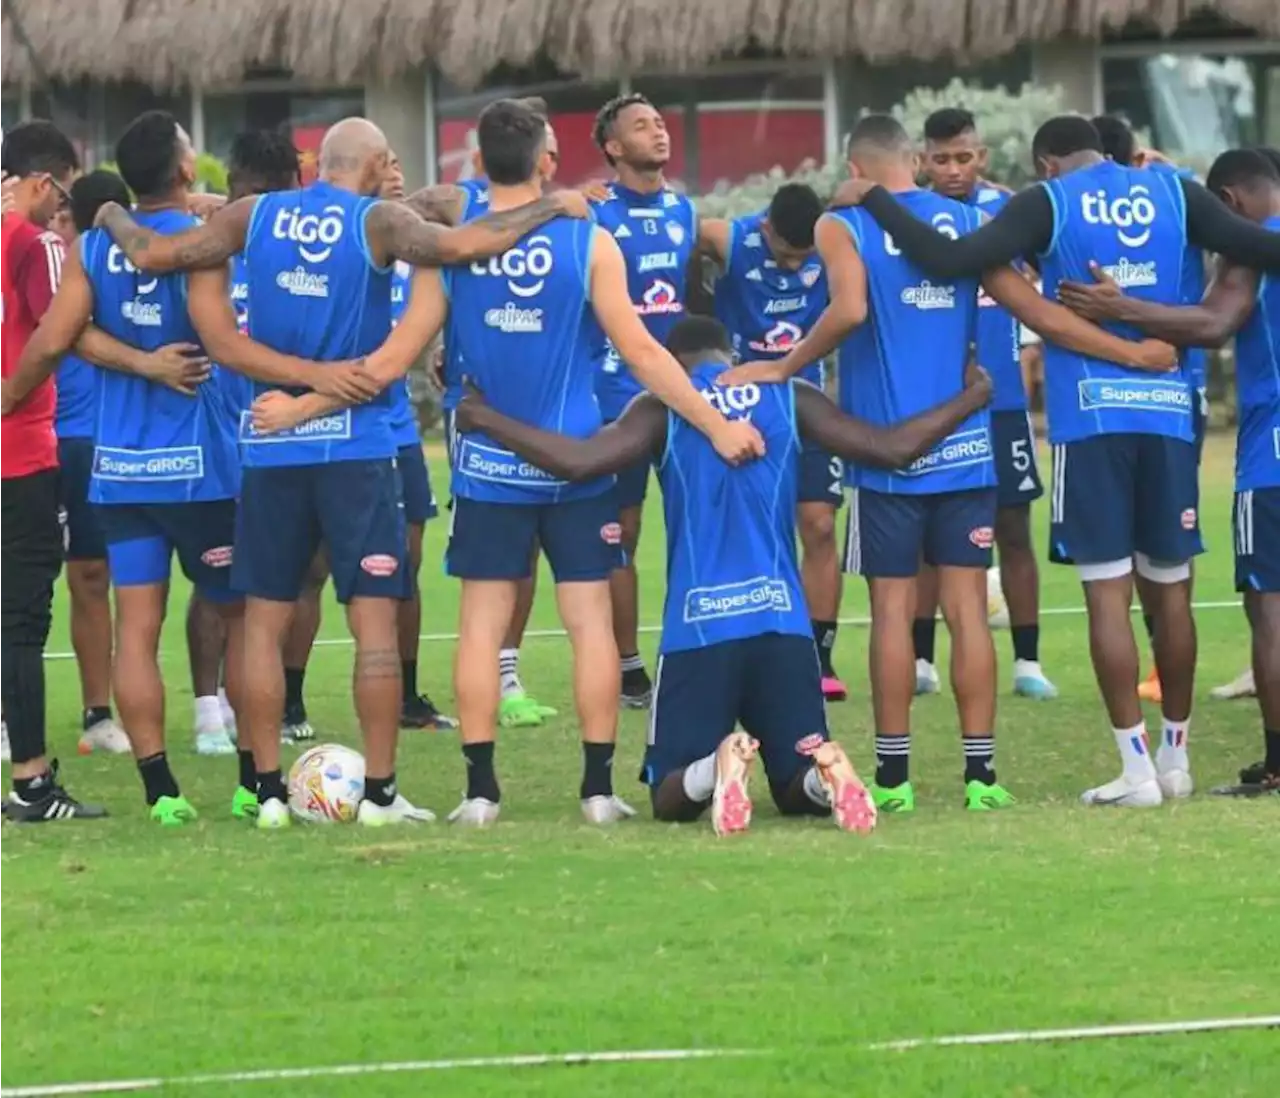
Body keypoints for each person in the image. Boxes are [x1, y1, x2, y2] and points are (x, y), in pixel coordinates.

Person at [94, 114, 601, 828]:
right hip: (358, 452)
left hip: (268, 448)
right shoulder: (380, 222)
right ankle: (383, 798)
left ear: (318, 161)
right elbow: (461, 243)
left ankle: (268, 794)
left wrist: (109, 207)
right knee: (373, 629)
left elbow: (152, 256)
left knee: (263, 626)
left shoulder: (253, 215)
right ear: (377, 164)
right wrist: (554, 203)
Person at [723, 114, 1177, 813]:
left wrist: (783, 366)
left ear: (855, 168)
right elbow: (1032, 307)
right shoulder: (966, 221)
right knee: (968, 612)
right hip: (967, 445)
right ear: (915, 160)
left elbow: (846, 311)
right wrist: (1135, 346)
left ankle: (897, 778)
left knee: (892, 611)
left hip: (887, 454)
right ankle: (981, 776)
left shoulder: (842, 225)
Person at [838, 115, 1280, 806]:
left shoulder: (1046, 203)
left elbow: (948, 260)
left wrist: (874, 199)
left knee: (1108, 592)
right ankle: (1176, 761)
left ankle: (1135, 772)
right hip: (1169, 415)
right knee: (1172, 592)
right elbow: (1262, 247)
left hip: (1093, 416)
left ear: (1046, 163)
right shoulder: (1173, 193)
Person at [455, 315, 998, 831]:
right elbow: (890, 449)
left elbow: (578, 462)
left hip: (700, 630)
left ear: (672, 362)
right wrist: (972, 397)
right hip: (783, 629)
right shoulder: (791, 394)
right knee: (792, 786)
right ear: (731, 354)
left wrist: (487, 418)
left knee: (669, 797)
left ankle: (715, 770)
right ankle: (821, 776)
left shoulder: (661, 405)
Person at [7, 112, 237, 825]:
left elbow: (57, 336)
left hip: (121, 467)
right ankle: (259, 780)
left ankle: (159, 788)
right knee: (251, 615)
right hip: (194, 469)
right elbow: (218, 339)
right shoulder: (197, 244)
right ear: (181, 172)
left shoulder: (94, 246)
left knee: (132, 620)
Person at [1054, 147, 1280, 795]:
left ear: (1229, 204)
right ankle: (1174, 760)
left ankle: (1273, 763)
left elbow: (1212, 322)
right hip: (1183, 440)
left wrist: (1119, 308)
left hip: (1272, 457)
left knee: (1270, 611)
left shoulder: (1252, 249)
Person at [397, 100, 557, 730]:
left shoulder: (568, 216)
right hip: (481, 412)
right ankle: (491, 681)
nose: (549, 158)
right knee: (495, 559)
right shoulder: (462, 202)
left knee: (534, 549)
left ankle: (507, 674)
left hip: (543, 412)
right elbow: (396, 217)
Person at [914, 108, 1057, 701]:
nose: (954, 169)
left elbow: (1054, 273)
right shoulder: (910, 214)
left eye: (964, 157)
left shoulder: (1013, 210)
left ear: (984, 157)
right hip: (930, 402)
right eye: (942, 159)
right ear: (922, 160)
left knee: (1013, 528)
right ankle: (921, 661)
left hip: (1000, 403)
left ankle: (1028, 662)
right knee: (924, 530)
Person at [702, 182, 849, 701]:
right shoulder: (729, 239)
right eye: (787, 256)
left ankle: (821, 655)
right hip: (745, 409)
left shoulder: (835, 246)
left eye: (803, 258)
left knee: (820, 524)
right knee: (750, 533)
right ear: (766, 229)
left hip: (808, 404)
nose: (794, 267)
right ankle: (743, 652)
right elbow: (679, 246)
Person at [0, 121, 105, 819]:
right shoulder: (34, 243)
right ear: (42, 182)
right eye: (60, 193)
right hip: (20, 456)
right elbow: (62, 330)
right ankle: (33, 782)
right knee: (21, 620)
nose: (60, 209)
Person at [1095, 114, 1211, 707]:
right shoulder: (1175, 193)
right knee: (1167, 547)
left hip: (1113, 401)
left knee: (1138, 554)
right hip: (1176, 394)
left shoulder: (1083, 210)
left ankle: (1161, 668)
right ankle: (1165, 671)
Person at [589, 93, 699, 708]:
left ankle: (693, 646)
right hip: (617, 395)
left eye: (660, 122)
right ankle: (629, 664)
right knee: (620, 530)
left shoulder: (684, 208)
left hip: (678, 393)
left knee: (692, 521)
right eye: (641, 126)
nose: (658, 132)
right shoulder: (595, 216)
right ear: (613, 147)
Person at [51, 172, 133, 756]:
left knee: (92, 577)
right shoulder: (34, 259)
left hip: (89, 440)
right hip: (31, 440)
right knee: (20, 583)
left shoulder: (118, 264)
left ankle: (98, 712)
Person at [380, 150, 455, 731]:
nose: (396, 166)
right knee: (308, 569)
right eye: (383, 161)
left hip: (395, 426)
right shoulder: (337, 236)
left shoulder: (416, 242)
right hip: (326, 424)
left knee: (407, 558)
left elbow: (448, 205)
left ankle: (406, 697)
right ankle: (290, 701)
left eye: (399, 159)